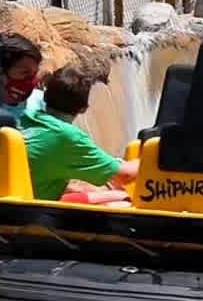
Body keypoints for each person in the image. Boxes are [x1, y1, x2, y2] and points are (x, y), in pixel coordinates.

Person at [20, 65, 138, 204]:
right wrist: (146, 159)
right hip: (37, 207)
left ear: (45, 95)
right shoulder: (67, 137)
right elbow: (124, 176)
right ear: (83, 109)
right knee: (122, 201)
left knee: (88, 189)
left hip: (24, 193)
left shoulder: (25, 113)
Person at [0, 33, 46, 119]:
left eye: (34, 74)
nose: (32, 81)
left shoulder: (42, 103)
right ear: (0, 71)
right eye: (25, 72)